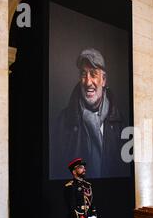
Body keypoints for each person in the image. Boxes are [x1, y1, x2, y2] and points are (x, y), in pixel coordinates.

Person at [53, 48, 127, 179]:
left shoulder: (120, 121)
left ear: (103, 80)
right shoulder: (63, 121)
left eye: (93, 74)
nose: (88, 82)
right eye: (83, 74)